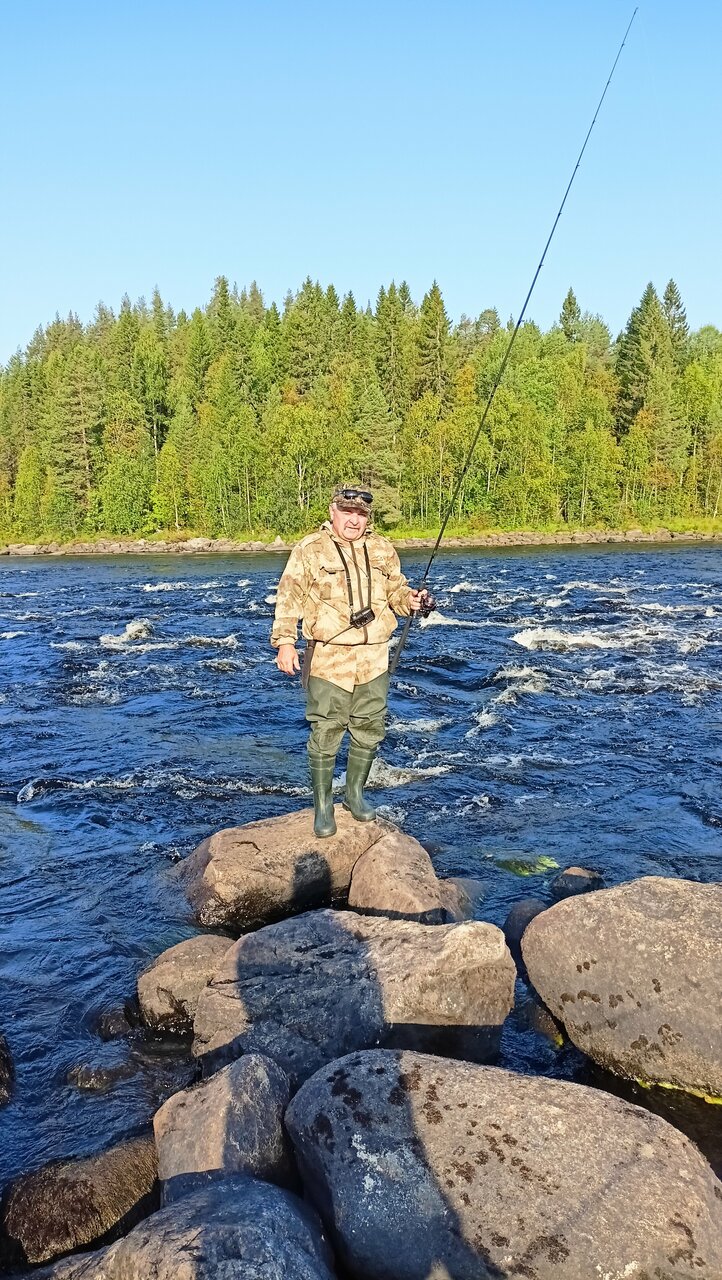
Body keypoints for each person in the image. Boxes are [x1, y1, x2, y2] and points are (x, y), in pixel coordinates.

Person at [271, 485, 433, 837]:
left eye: (360, 515)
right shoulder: (310, 548)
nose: (354, 520)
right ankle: (323, 806)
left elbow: (396, 593)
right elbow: (289, 596)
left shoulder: (382, 548)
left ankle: (354, 795)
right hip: (329, 656)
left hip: (375, 655)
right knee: (327, 730)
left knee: (370, 728)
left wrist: (412, 601)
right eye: (347, 512)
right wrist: (285, 643)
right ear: (333, 512)